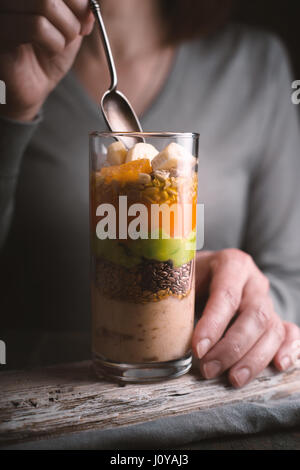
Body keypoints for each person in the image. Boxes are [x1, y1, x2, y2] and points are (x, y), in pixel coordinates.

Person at [0, 0, 299, 388]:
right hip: (35, 399)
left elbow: (293, 282)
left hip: (192, 393)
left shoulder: (256, 64)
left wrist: (245, 307)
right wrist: (12, 113)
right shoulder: (10, 64)